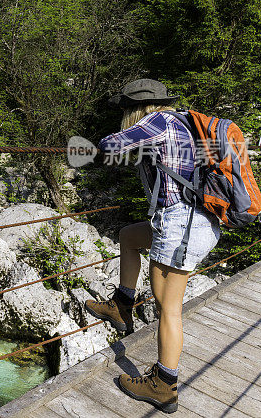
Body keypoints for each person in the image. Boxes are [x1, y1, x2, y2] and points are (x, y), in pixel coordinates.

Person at [84, 78, 221, 414]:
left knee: (167, 307)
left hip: (182, 225)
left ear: (135, 107)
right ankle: (122, 304)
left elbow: (111, 144)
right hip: (183, 220)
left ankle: (164, 385)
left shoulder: (156, 121)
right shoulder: (180, 123)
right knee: (129, 237)